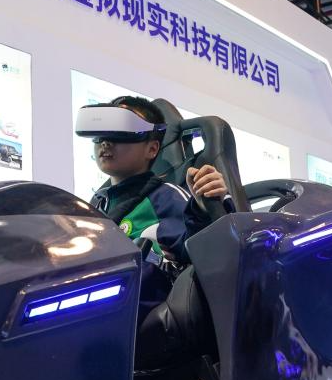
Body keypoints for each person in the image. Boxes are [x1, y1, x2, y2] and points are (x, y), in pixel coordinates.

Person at [85, 95, 227, 265]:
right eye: (101, 133)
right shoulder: (96, 204)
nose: (106, 142)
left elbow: (198, 253)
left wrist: (203, 211)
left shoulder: (165, 197)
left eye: (121, 133)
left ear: (152, 149)